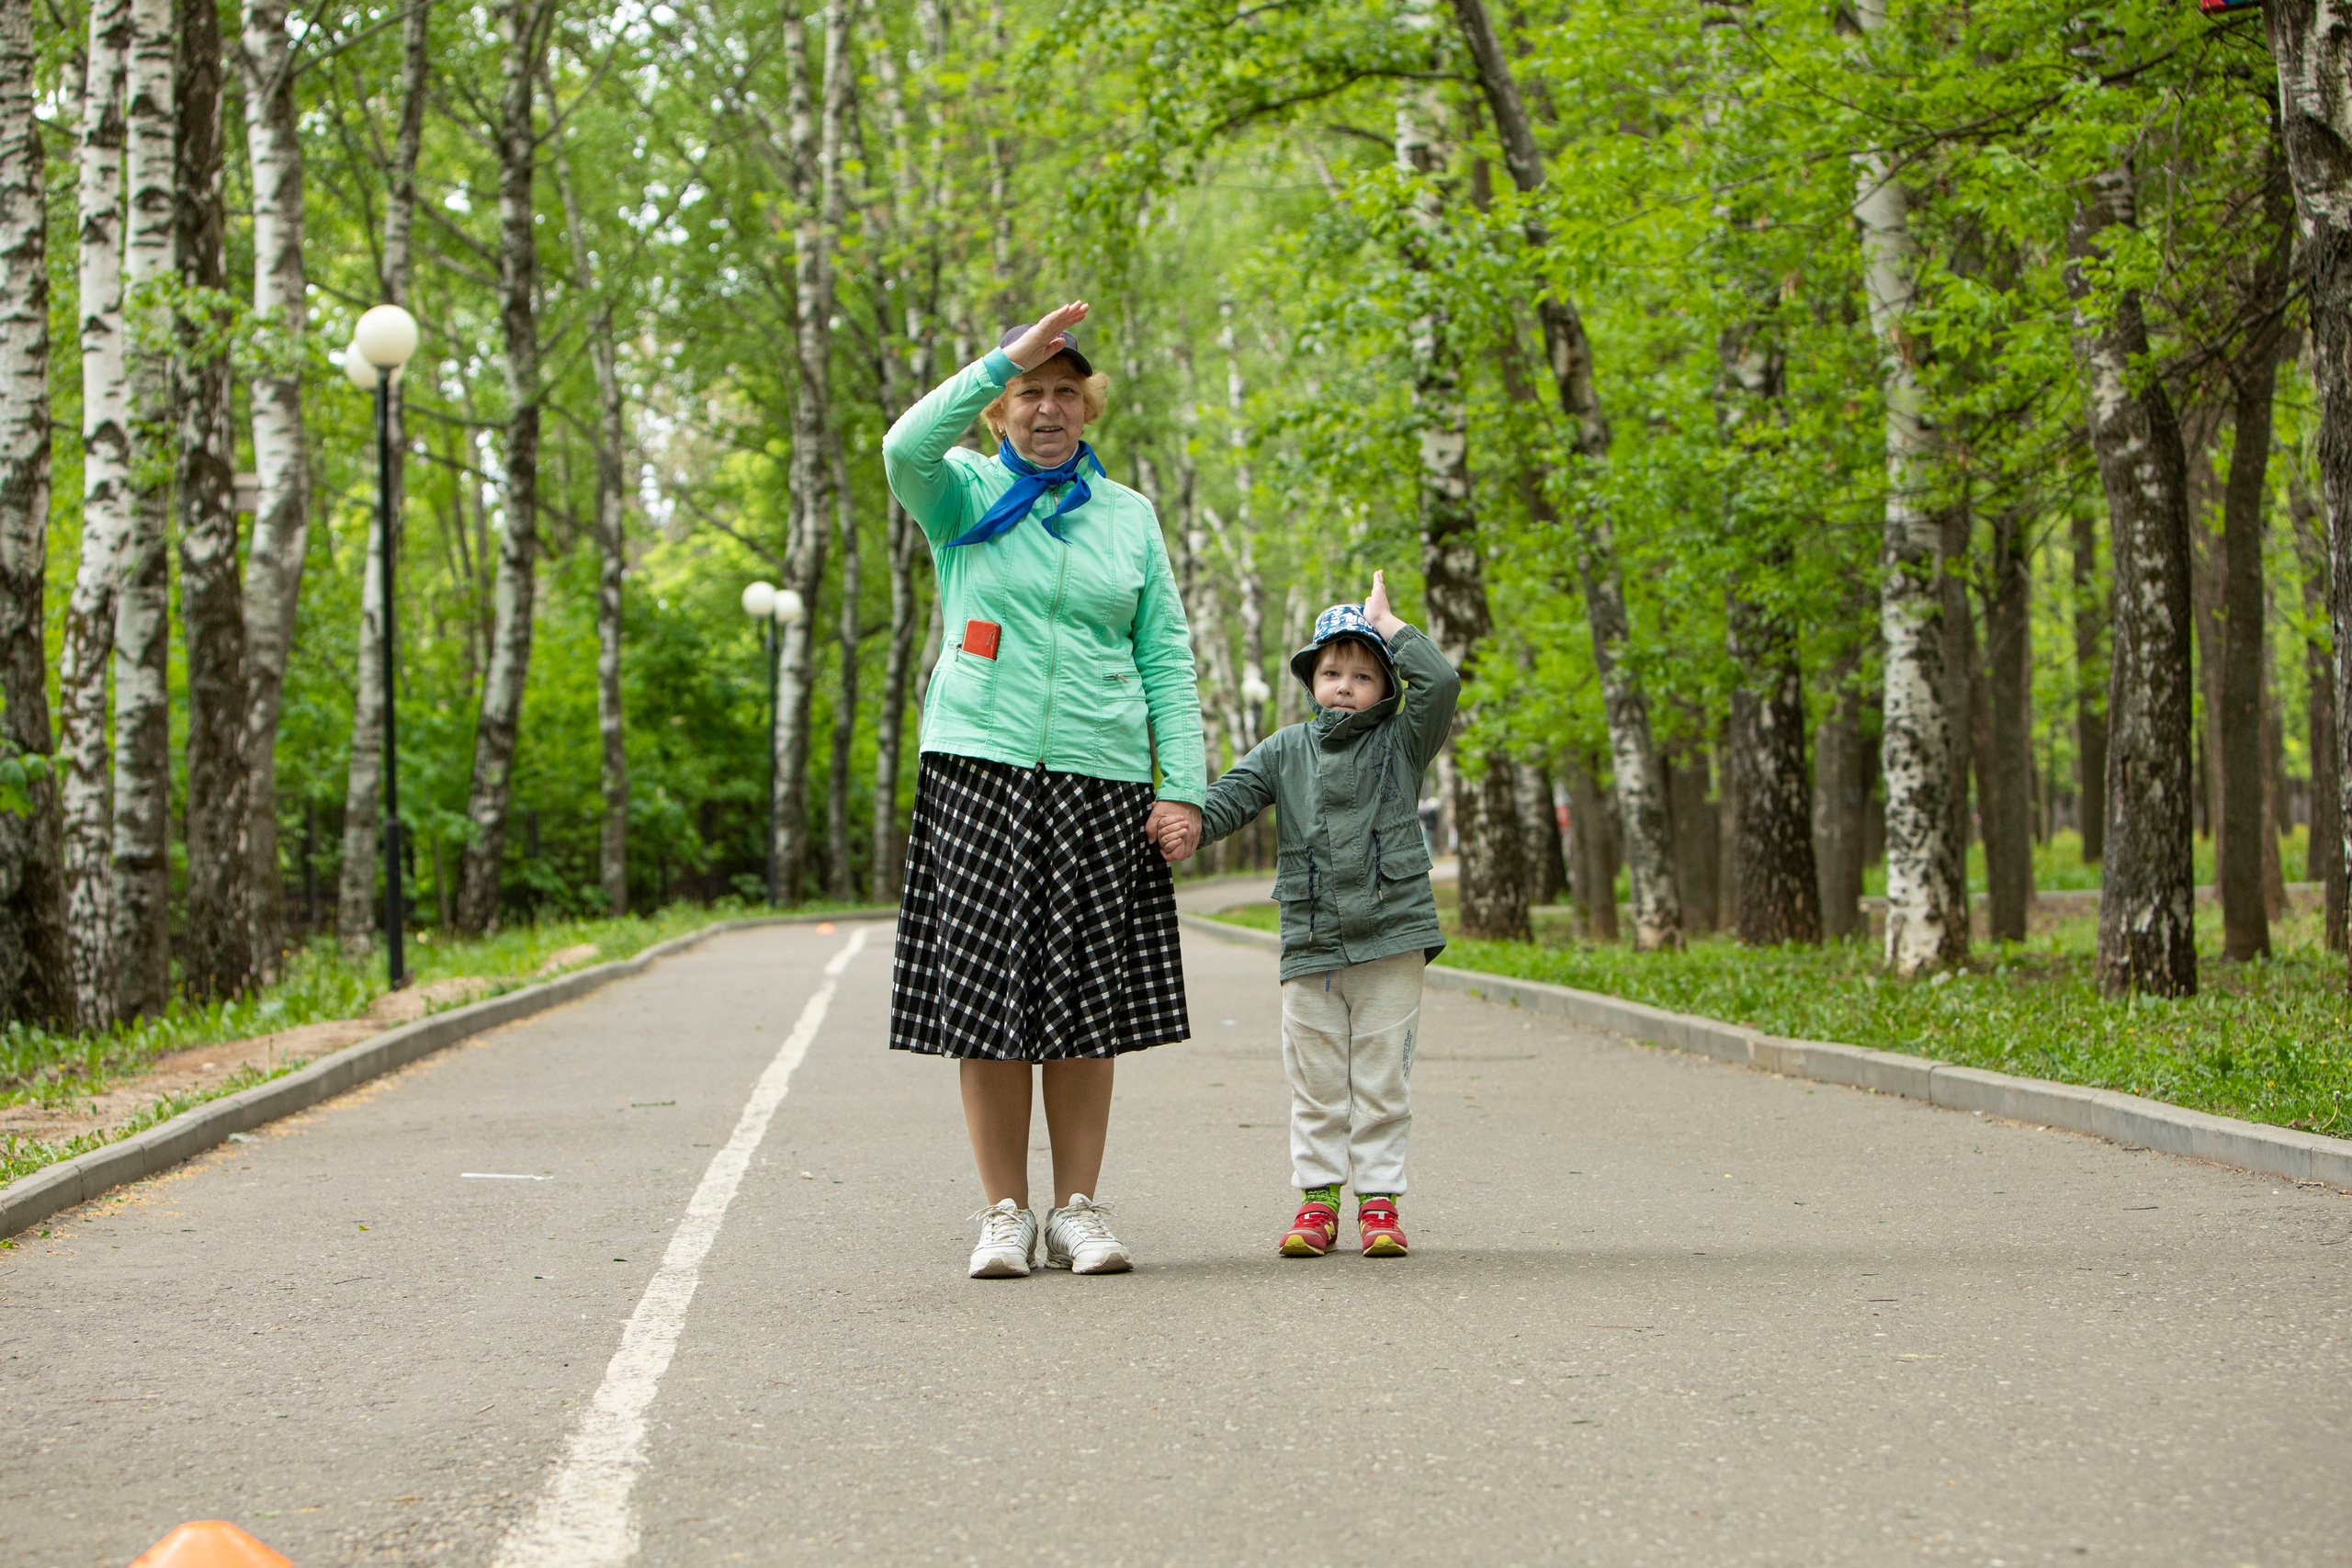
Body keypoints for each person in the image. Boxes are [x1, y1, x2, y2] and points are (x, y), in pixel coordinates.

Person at [881, 299, 1205, 1280]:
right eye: (1031, 393)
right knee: (987, 1003)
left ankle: (1077, 1211)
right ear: (1000, 409)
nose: (1049, 409)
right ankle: (1003, 1213)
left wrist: (1180, 786)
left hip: (1098, 774)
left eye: (1066, 392)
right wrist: (997, 360)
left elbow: (1166, 659)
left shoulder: (1129, 517)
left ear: (1088, 409)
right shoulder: (962, 496)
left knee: (1079, 1004)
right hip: (978, 766)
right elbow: (902, 446)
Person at [1163, 572, 1459, 1258]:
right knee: (1318, 1080)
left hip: (1392, 937)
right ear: (1312, 680)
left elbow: (1440, 684)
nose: (1346, 685)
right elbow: (1231, 797)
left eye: (1363, 673)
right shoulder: (1285, 749)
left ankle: (1380, 1202)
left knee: (1383, 1079)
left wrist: (1391, 630)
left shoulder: (1403, 743)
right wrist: (1187, 824)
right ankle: (1317, 1200)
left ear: (1386, 687)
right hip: (1312, 940)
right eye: (1332, 671)